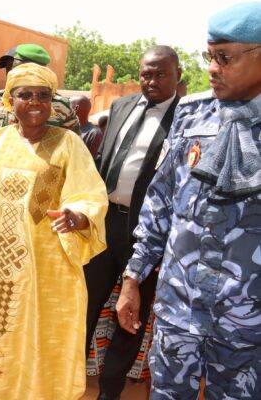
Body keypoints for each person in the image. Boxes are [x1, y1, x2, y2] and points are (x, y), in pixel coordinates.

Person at [0, 63, 108, 400]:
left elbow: (89, 196)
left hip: (42, 273)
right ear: (11, 102)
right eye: (25, 95)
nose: (35, 102)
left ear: (53, 102)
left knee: (32, 344)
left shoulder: (68, 144)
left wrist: (77, 216)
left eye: (43, 95)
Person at [116, 1, 261, 399]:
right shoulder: (192, 116)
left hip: (247, 323)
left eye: (225, 58)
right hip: (178, 307)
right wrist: (133, 278)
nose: (213, 68)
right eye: (210, 56)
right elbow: (161, 203)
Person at [85, 46, 182, 400]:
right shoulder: (120, 107)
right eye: (146, 73)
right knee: (86, 304)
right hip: (103, 223)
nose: (152, 81)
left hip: (148, 235)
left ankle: (109, 392)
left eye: (161, 74)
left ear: (177, 76)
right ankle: (67, 382)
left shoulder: (184, 119)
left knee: (130, 316)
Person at [0, 44, 80, 180]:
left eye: (15, 67)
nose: (9, 72)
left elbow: (76, 157)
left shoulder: (61, 107)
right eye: (8, 67)